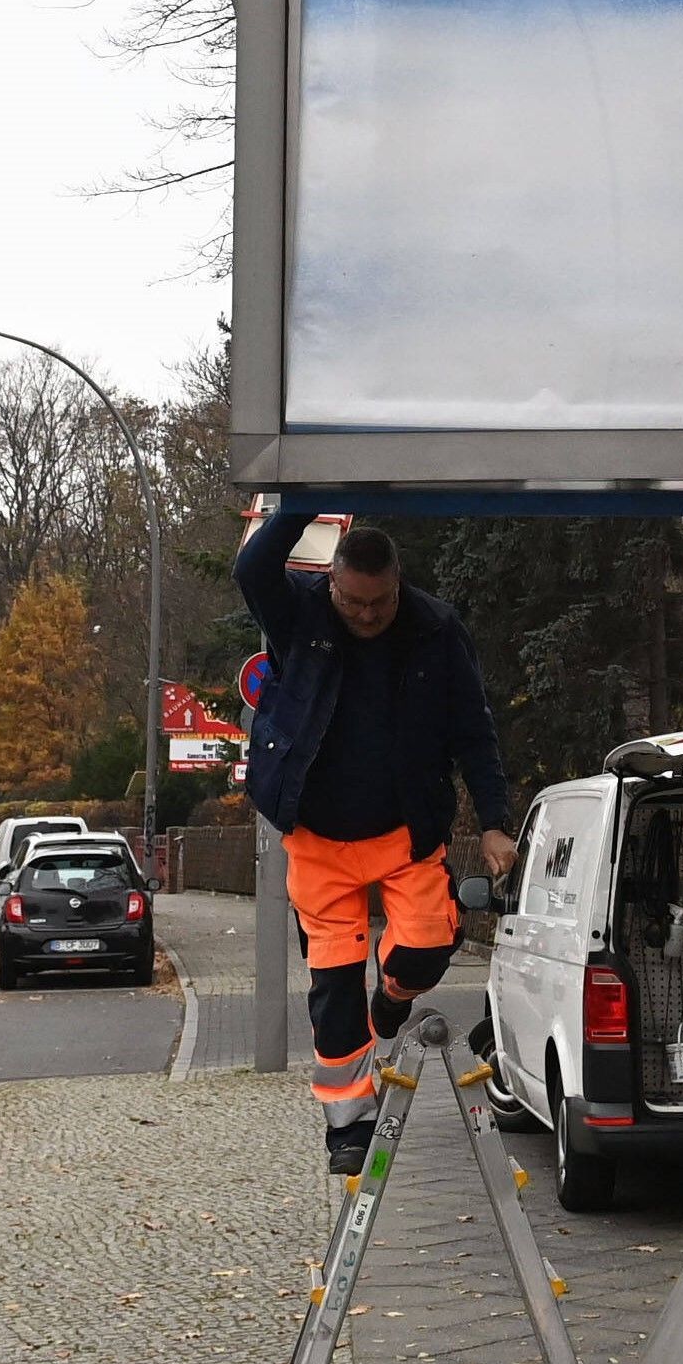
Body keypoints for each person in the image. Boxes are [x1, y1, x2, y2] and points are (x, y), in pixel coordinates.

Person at [235, 498, 517, 1173]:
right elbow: (252, 568)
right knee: (332, 989)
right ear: (329, 581)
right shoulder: (296, 611)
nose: (366, 615)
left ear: (398, 584)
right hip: (317, 837)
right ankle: (347, 1124)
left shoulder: (435, 629)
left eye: (379, 602)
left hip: (401, 829)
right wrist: (297, 505)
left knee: (425, 943)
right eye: (354, 602)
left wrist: (496, 821)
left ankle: (392, 998)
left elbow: (472, 732)